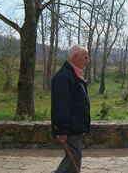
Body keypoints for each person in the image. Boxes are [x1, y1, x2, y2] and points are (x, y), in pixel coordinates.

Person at [51, 45, 90, 173]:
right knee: (73, 160)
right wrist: (62, 129)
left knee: (74, 159)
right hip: (70, 128)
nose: (87, 60)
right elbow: (61, 105)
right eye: (85, 57)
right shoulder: (64, 77)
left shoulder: (73, 75)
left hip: (75, 127)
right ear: (75, 57)